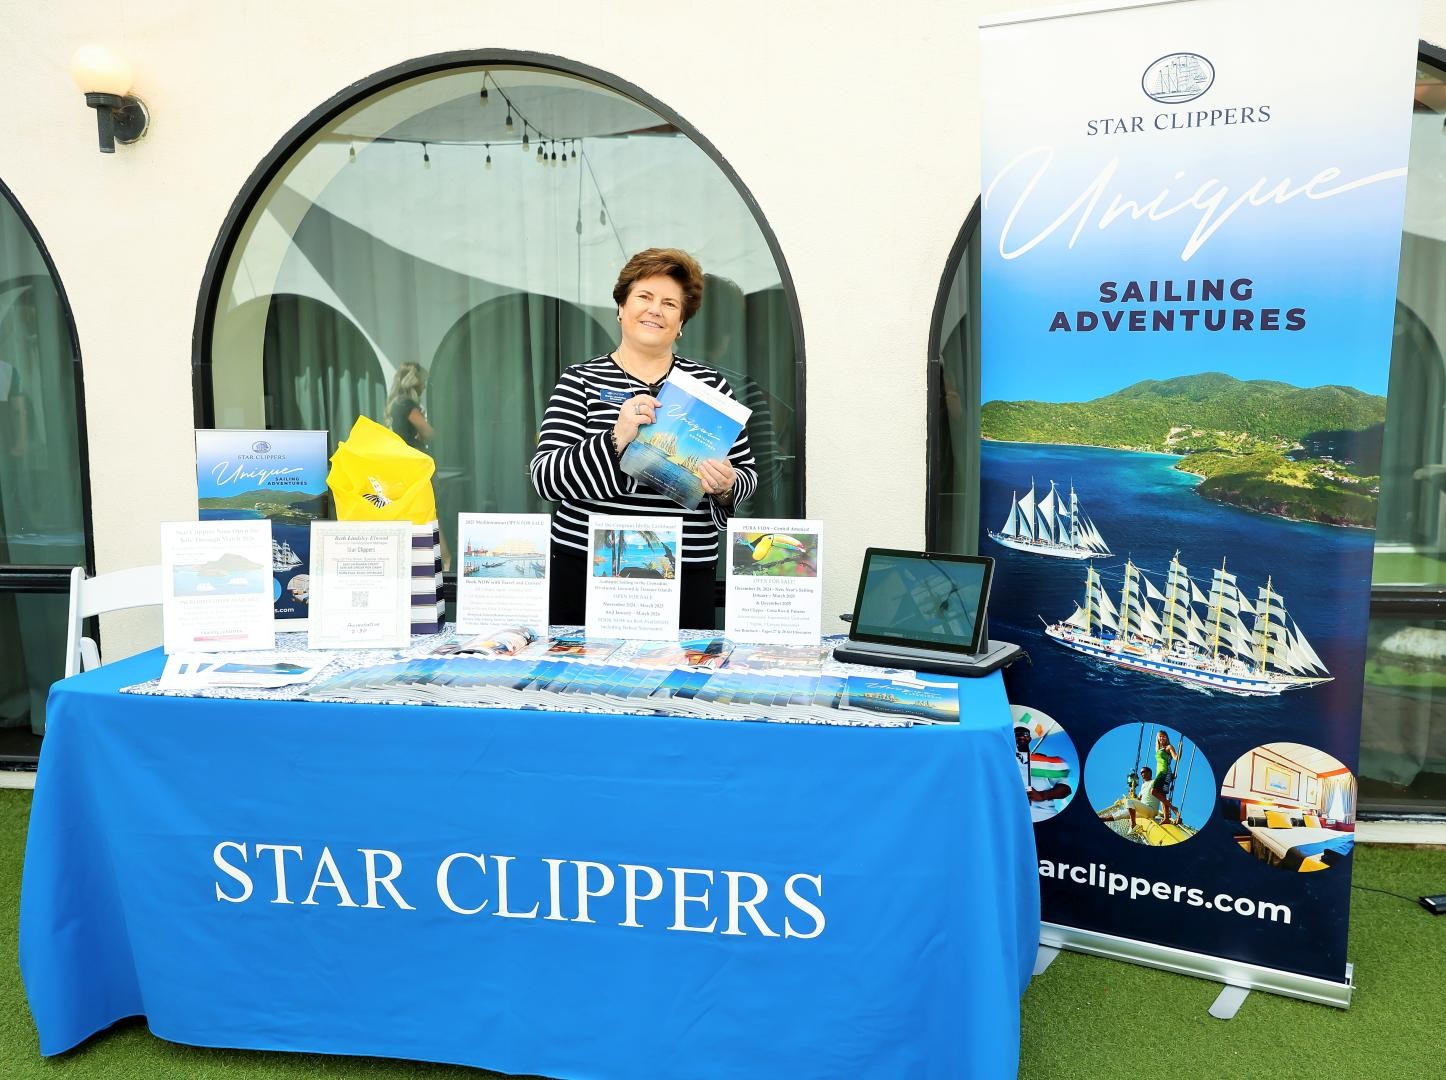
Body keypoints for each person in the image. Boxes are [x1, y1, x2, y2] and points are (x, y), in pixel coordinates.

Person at [530, 247, 757, 630]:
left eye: (670, 303)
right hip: (589, 567)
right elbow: (545, 478)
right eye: (644, 297)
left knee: (682, 669)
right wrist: (615, 439)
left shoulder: (710, 386)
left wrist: (726, 485)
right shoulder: (580, 380)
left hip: (685, 570)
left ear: (681, 321)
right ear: (621, 307)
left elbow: (747, 474)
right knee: (582, 669)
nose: (655, 310)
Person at [1015, 724, 1070, 821]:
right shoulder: (1003, 761)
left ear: (1029, 738)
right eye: (1017, 734)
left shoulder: (1042, 762)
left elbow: (1066, 789)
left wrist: (1043, 795)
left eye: (1025, 734)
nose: (1021, 736)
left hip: (1045, 816)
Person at [386, 361, 435, 451]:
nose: (424, 386)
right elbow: (428, 433)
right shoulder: (406, 403)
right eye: (422, 382)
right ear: (414, 383)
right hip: (408, 455)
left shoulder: (397, 402)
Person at [1152, 731, 1181, 826]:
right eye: (1160, 736)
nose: (1162, 738)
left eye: (1164, 736)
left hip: (1164, 772)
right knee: (1162, 797)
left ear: (1167, 738)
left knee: (1154, 792)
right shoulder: (1159, 749)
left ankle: (1174, 809)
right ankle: (1166, 818)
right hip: (1160, 773)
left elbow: (1176, 758)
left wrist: (1180, 750)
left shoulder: (1169, 747)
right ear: (1158, 738)